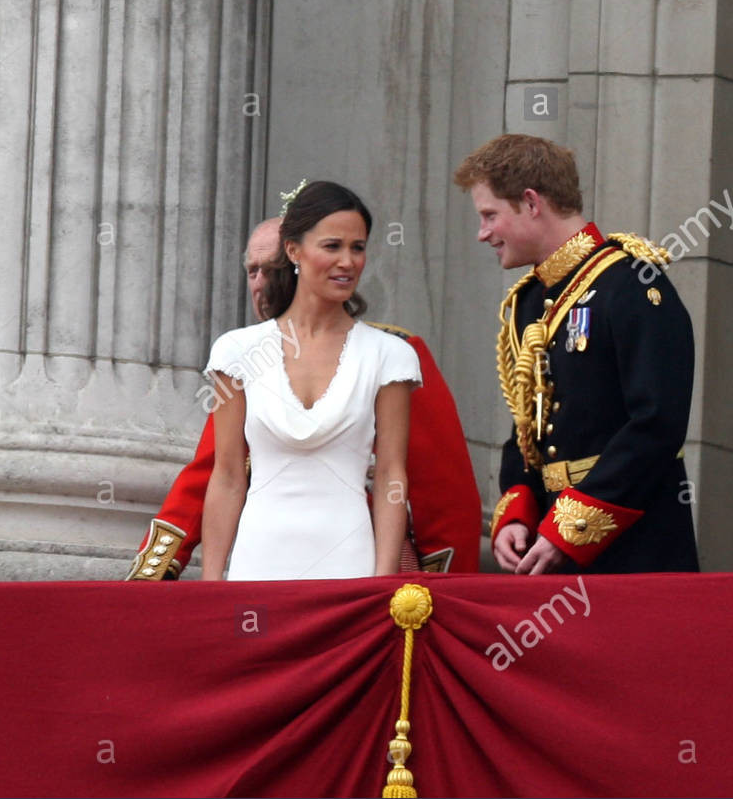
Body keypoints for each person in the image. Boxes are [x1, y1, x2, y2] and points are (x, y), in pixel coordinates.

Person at [128, 217, 480, 579]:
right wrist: (155, 573)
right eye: (253, 271)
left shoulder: (394, 353)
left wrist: (444, 584)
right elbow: (214, 473)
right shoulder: (243, 356)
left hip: (362, 555)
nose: (262, 284)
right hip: (263, 554)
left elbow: (441, 487)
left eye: (272, 269)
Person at [455, 134, 699, 574]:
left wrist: (571, 527)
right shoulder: (531, 300)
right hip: (550, 539)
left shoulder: (633, 283)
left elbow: (657, 424)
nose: (482, 233)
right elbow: (529, 425)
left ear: (531, 203)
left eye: (490, 215)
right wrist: (518, 508)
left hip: (635, 547)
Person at [198, 181, 421, 580]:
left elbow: (391, 475)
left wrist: (383, 583)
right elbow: (228, 475)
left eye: (358, 247)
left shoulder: (390, 356)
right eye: (332, 246)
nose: (348, 261)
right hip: (257, 563)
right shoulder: (236, 352)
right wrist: (211, 583)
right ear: (293, 250)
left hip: (349, 564)